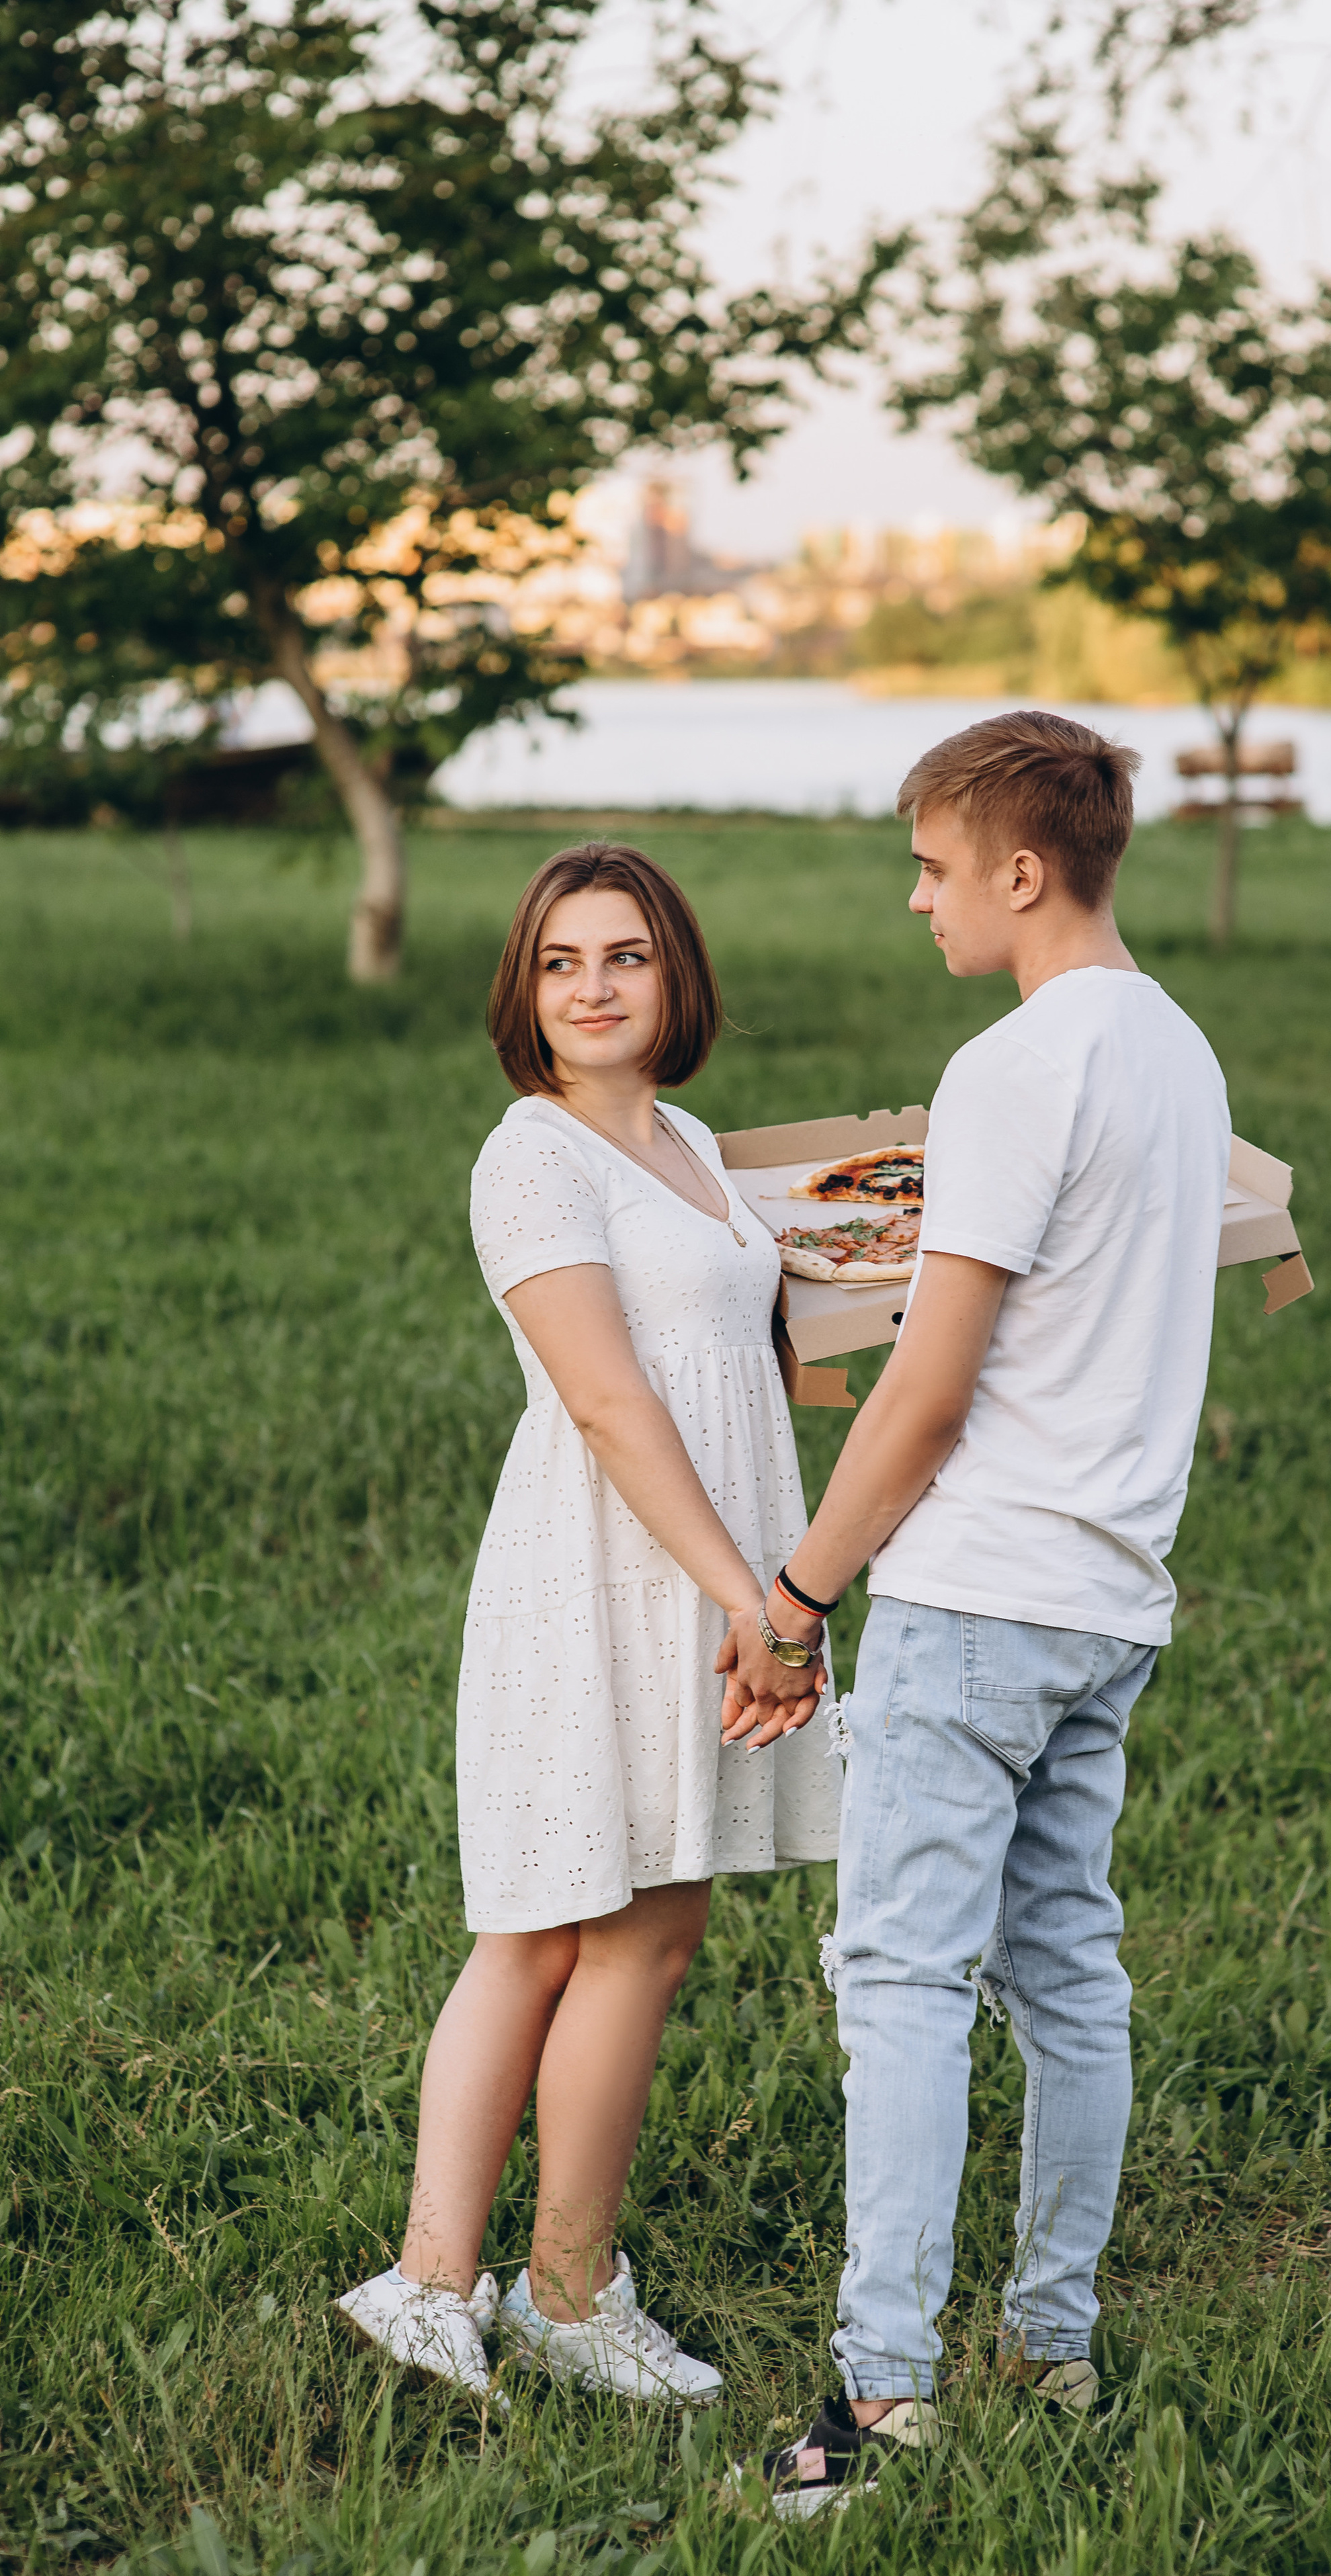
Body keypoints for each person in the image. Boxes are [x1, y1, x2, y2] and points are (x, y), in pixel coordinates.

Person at [722, 712, 1232, 2511]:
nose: (917, 898)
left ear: (1023, 871)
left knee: (904, 1981)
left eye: (934, 868)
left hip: (977, 1594)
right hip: (1109, 1598)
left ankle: (878, 2399)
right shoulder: (1178, 1050)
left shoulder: (1015, 1065)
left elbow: (928, 1393)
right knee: (1067, 1971)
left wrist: (799, 1591)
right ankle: (1052, 2346)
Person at [335, 841, 839, 2409]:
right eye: (560, 963)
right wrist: (753, 1599)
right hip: (606, 1570)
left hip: (720, 1566)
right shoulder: (530, 1158)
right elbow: (610, 1402)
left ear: (674, 973)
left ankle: (567, 2291)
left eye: (624, 955)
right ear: (525, 991)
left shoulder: (695, 1144)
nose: (593, 987)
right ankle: (429, 2283)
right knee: (543, 1924)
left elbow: (756, 1348)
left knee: (654, 1930)